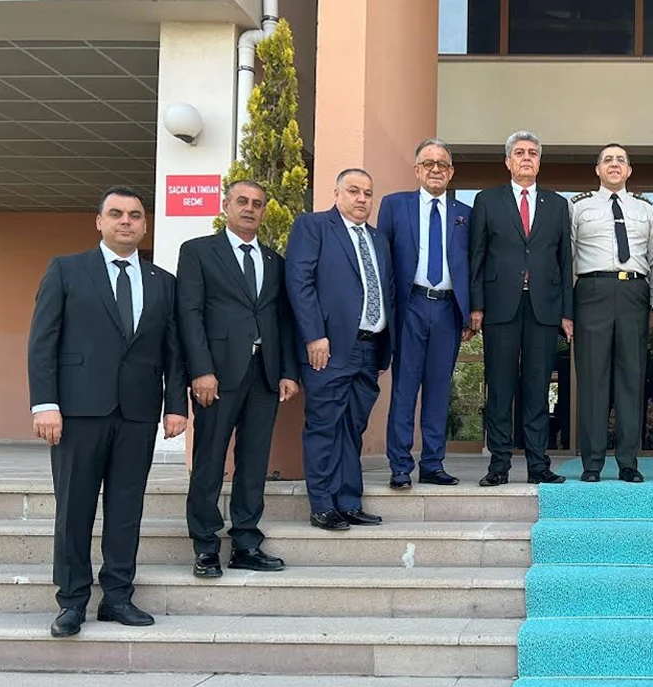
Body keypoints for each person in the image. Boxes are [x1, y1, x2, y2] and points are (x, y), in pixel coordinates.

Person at [28, 186, 187, 638]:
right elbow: (43, 341)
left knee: (126, 508)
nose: (126, 221)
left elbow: (173, 350)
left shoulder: (162, 281)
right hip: (78, 412)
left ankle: (117, 596)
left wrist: (176, 406)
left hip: (137, 413)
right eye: (116, 214)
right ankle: (72, 600)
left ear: (144, 225)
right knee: (74, 508)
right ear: (99, 222)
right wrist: (45, 404)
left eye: (135, 215)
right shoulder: (66, 269)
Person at [177, 180, 299, 578]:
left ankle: (246, 542)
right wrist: (201, 370)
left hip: (264, 374)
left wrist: (287, 371)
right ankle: (205, 545)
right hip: (217, 375)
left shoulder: (274, 260)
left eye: (258, 204)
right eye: (242, 201)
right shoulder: (198, 252)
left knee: (254, 460)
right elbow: (189, 314)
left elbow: (282, 319)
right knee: (209, 460)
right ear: (226, 205)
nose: (250, 209)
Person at [285, 168, 392, 531]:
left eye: (368, 193)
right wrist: (314, 335)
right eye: (354, 191)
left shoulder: (378, 239)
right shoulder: (313, 227)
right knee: (324, 426)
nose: (362, 199)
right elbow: (299, 281)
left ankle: (348, 502)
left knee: (352, 428)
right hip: (328, 348)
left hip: (369, 349)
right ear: (336, 193)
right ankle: (322, 505)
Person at [469, 130, 574, 487]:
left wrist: (566, 312)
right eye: (519, 152)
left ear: (539, 162)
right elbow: (477, 256)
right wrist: (476, 305)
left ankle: (538, 465)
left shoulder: (557, 204)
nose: (526, 157)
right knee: (500, 388)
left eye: (532, 153)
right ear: (508, 161)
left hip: (544, 308)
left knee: (538, 388)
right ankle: (499, 464)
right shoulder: (487, 200)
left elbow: (565, 261)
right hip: (500, 306)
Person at [379, 139, 472, 489]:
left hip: (448, 309)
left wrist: (470, 313)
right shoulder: (394, 205)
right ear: (417, 169)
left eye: (442, 164)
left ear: (451, 173)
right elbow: (383, 261)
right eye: (429, 163)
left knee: (438, 389)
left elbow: (473, 266)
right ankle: (400, 465)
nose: (436, 169)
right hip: (410, 306)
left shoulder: (465, 213)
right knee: (404, 389)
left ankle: (433, 463)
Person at [569, 143, 653, 483]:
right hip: (591, 291)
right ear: (597, 169)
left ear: (629, 170)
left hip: (634, 293)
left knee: (631, 379)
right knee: (592, 380)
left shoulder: (645, 209)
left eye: (620, 160)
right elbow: (567, 258)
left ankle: (628, 462)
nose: (614, 164)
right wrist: (567, 308)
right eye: (607, 159)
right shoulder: (578, 207)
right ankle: (592, 464)